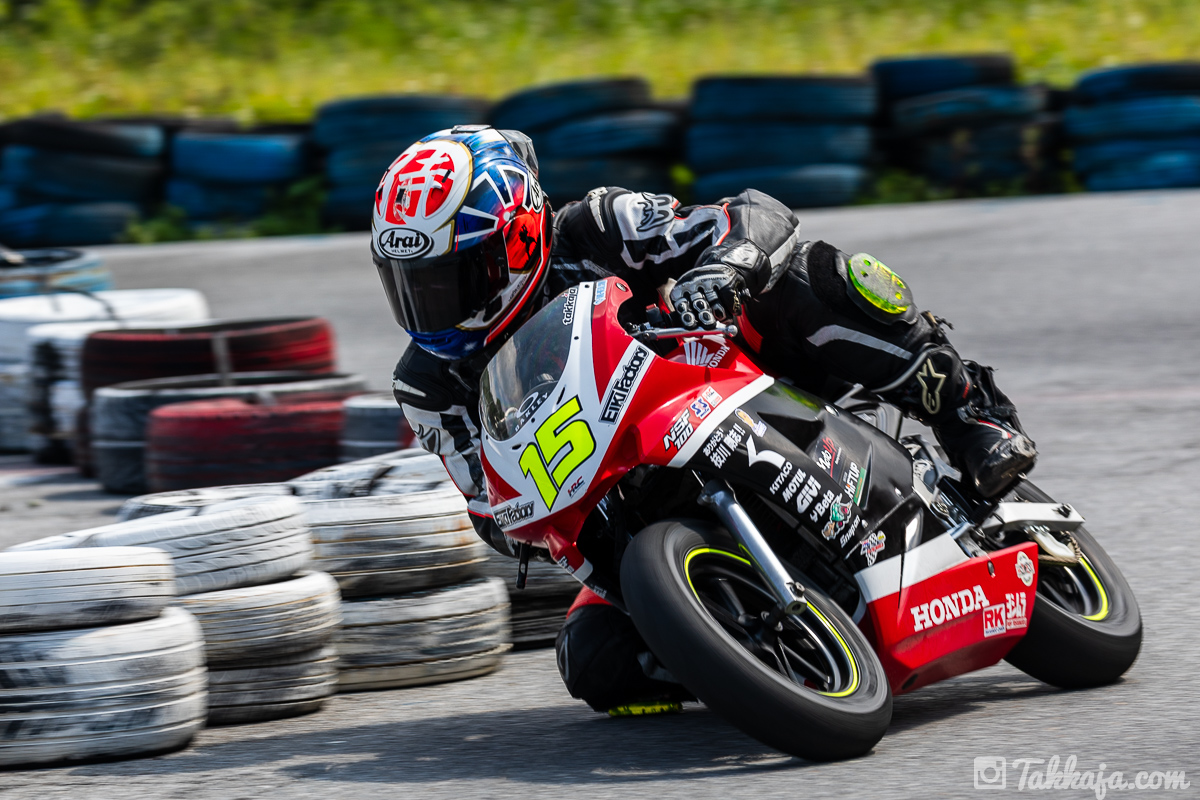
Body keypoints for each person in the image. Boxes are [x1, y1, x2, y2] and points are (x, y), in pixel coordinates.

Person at [374, 125, 1037, 714]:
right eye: (408, 283)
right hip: (616, 499)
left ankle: (971, 414)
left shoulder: (596, 227)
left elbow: (756, 218)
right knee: (593, 660)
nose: (429, 306)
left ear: (518, 238)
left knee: (810, 277)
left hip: (730, 385)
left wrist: (722, 270)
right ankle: (751, 653)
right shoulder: (426, 383)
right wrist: (511, 512)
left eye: (449, 279)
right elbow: (488, 509)